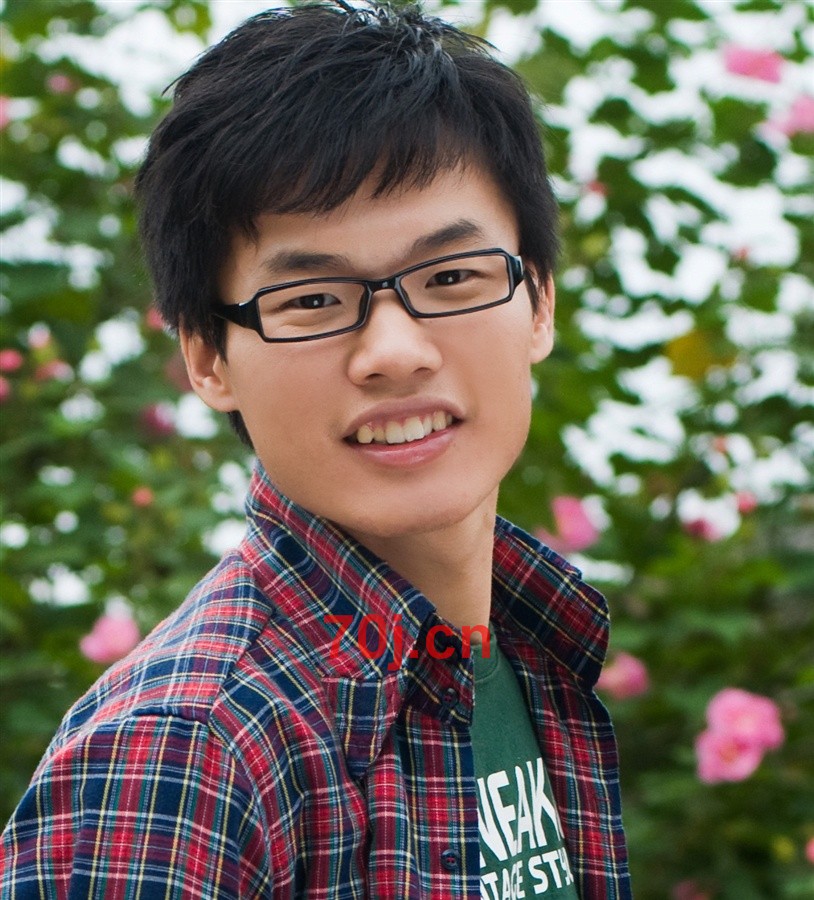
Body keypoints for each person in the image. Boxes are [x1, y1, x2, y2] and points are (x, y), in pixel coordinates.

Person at [0, 2, 630, 896]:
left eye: (451, 276)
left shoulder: (527, 655)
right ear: (207, 358)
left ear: (539, 302)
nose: (395, 352)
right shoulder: (183, 753)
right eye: (312, 301)